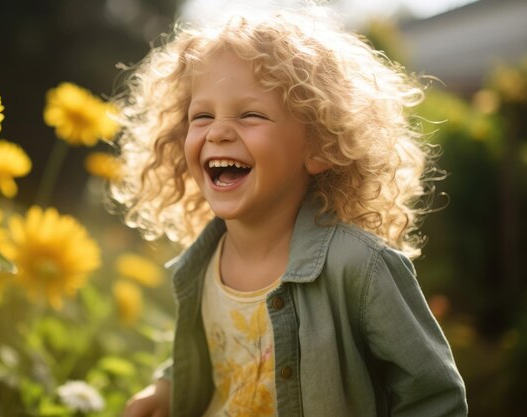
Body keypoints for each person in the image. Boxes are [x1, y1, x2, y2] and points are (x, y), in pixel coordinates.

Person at [114, 3, 467, 416]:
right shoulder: (204, 262)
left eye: (251, 115)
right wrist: (167, 388)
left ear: (319, 146)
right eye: (202, 115)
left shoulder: (360, 268)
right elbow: (221, 358)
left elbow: (434, 396)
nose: (219, 131)